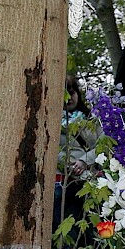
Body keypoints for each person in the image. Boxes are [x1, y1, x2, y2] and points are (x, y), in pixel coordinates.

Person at [55, 74, 100, 229]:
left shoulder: (93, 117)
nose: (69, 98)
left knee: (93, 229)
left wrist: (84, 161)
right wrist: (69, 164)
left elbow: (103, 144)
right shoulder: (50, 122)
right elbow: (50, 151)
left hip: (93, 181)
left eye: (72, 92)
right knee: (70, 229)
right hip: (66, 183)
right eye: (64, 94)